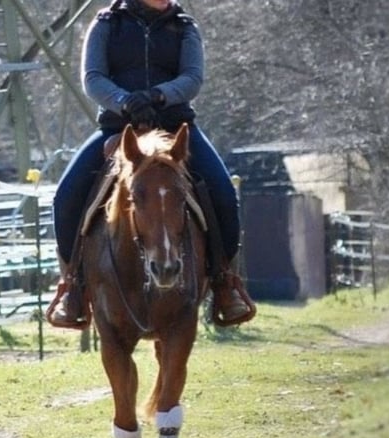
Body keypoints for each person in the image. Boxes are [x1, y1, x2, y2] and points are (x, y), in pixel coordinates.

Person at [47, 0, 255, 329]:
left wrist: (157, 96)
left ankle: (224, 284)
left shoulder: (185, 27)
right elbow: (93, 77)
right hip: (118, 128)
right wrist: (125, 101)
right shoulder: (106, 24)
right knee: (66, 195)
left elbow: (192, 78)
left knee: (224, 194)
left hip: (176, 129)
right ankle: (73, 286)